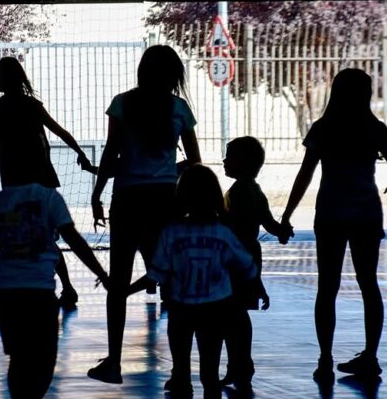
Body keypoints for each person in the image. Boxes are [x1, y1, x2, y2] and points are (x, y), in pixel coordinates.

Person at [280, 69, 387, 381]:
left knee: (327, 287)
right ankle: (371, 355)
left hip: (331, 213)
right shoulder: (374, 127)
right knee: (368, 284)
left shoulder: (324, 128)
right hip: (366, 213)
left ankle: (324, 357)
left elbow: (305, 174)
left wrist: (287, 214)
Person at [88, 44, 202, 384]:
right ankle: (180, 369)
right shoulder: (179, 109)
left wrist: (96, 194)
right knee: (169, 281)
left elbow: (111, 155)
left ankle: (114, 362)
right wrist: (170, 171)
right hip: (165, 200)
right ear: (173, 75)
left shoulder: (123, 104)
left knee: (118, 282)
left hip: (127, 199)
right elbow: (195, 162)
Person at [0, 172, 110, 399]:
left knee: (19, 359)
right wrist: (100, 272)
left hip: (6, 295)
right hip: (39, 294)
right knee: (43, 359)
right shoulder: (50, 198)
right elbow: (74, 240)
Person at [0, 56, 95, 310]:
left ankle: (32, 286)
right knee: (46, 236)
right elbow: (60, 131)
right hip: (39, 177)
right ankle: (65, 287)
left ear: (5, 78)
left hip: (16, 179)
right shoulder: (31, 105)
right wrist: (79, 152)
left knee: (24, 236)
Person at [147, 164, 258, 399]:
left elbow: (157, 273)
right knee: (210, 372)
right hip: (217, 308)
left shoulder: (171, 233)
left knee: (181, 364)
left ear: (182, 197)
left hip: (180, 309)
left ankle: (180, 380)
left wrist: (125, 289)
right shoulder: (223, 234)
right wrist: (256, 287)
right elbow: (247, 266)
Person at [219, 136, 293, 392]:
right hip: (250, 254)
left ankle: (238, 363)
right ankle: (241, 363)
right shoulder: (256, 191)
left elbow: (229, 227)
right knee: (238, 314)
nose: (224, 160)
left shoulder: (237, 192)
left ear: (244, 162)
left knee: (230, 314)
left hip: (234, 258)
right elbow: (268, 223)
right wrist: (282, 230)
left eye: (229, 156)